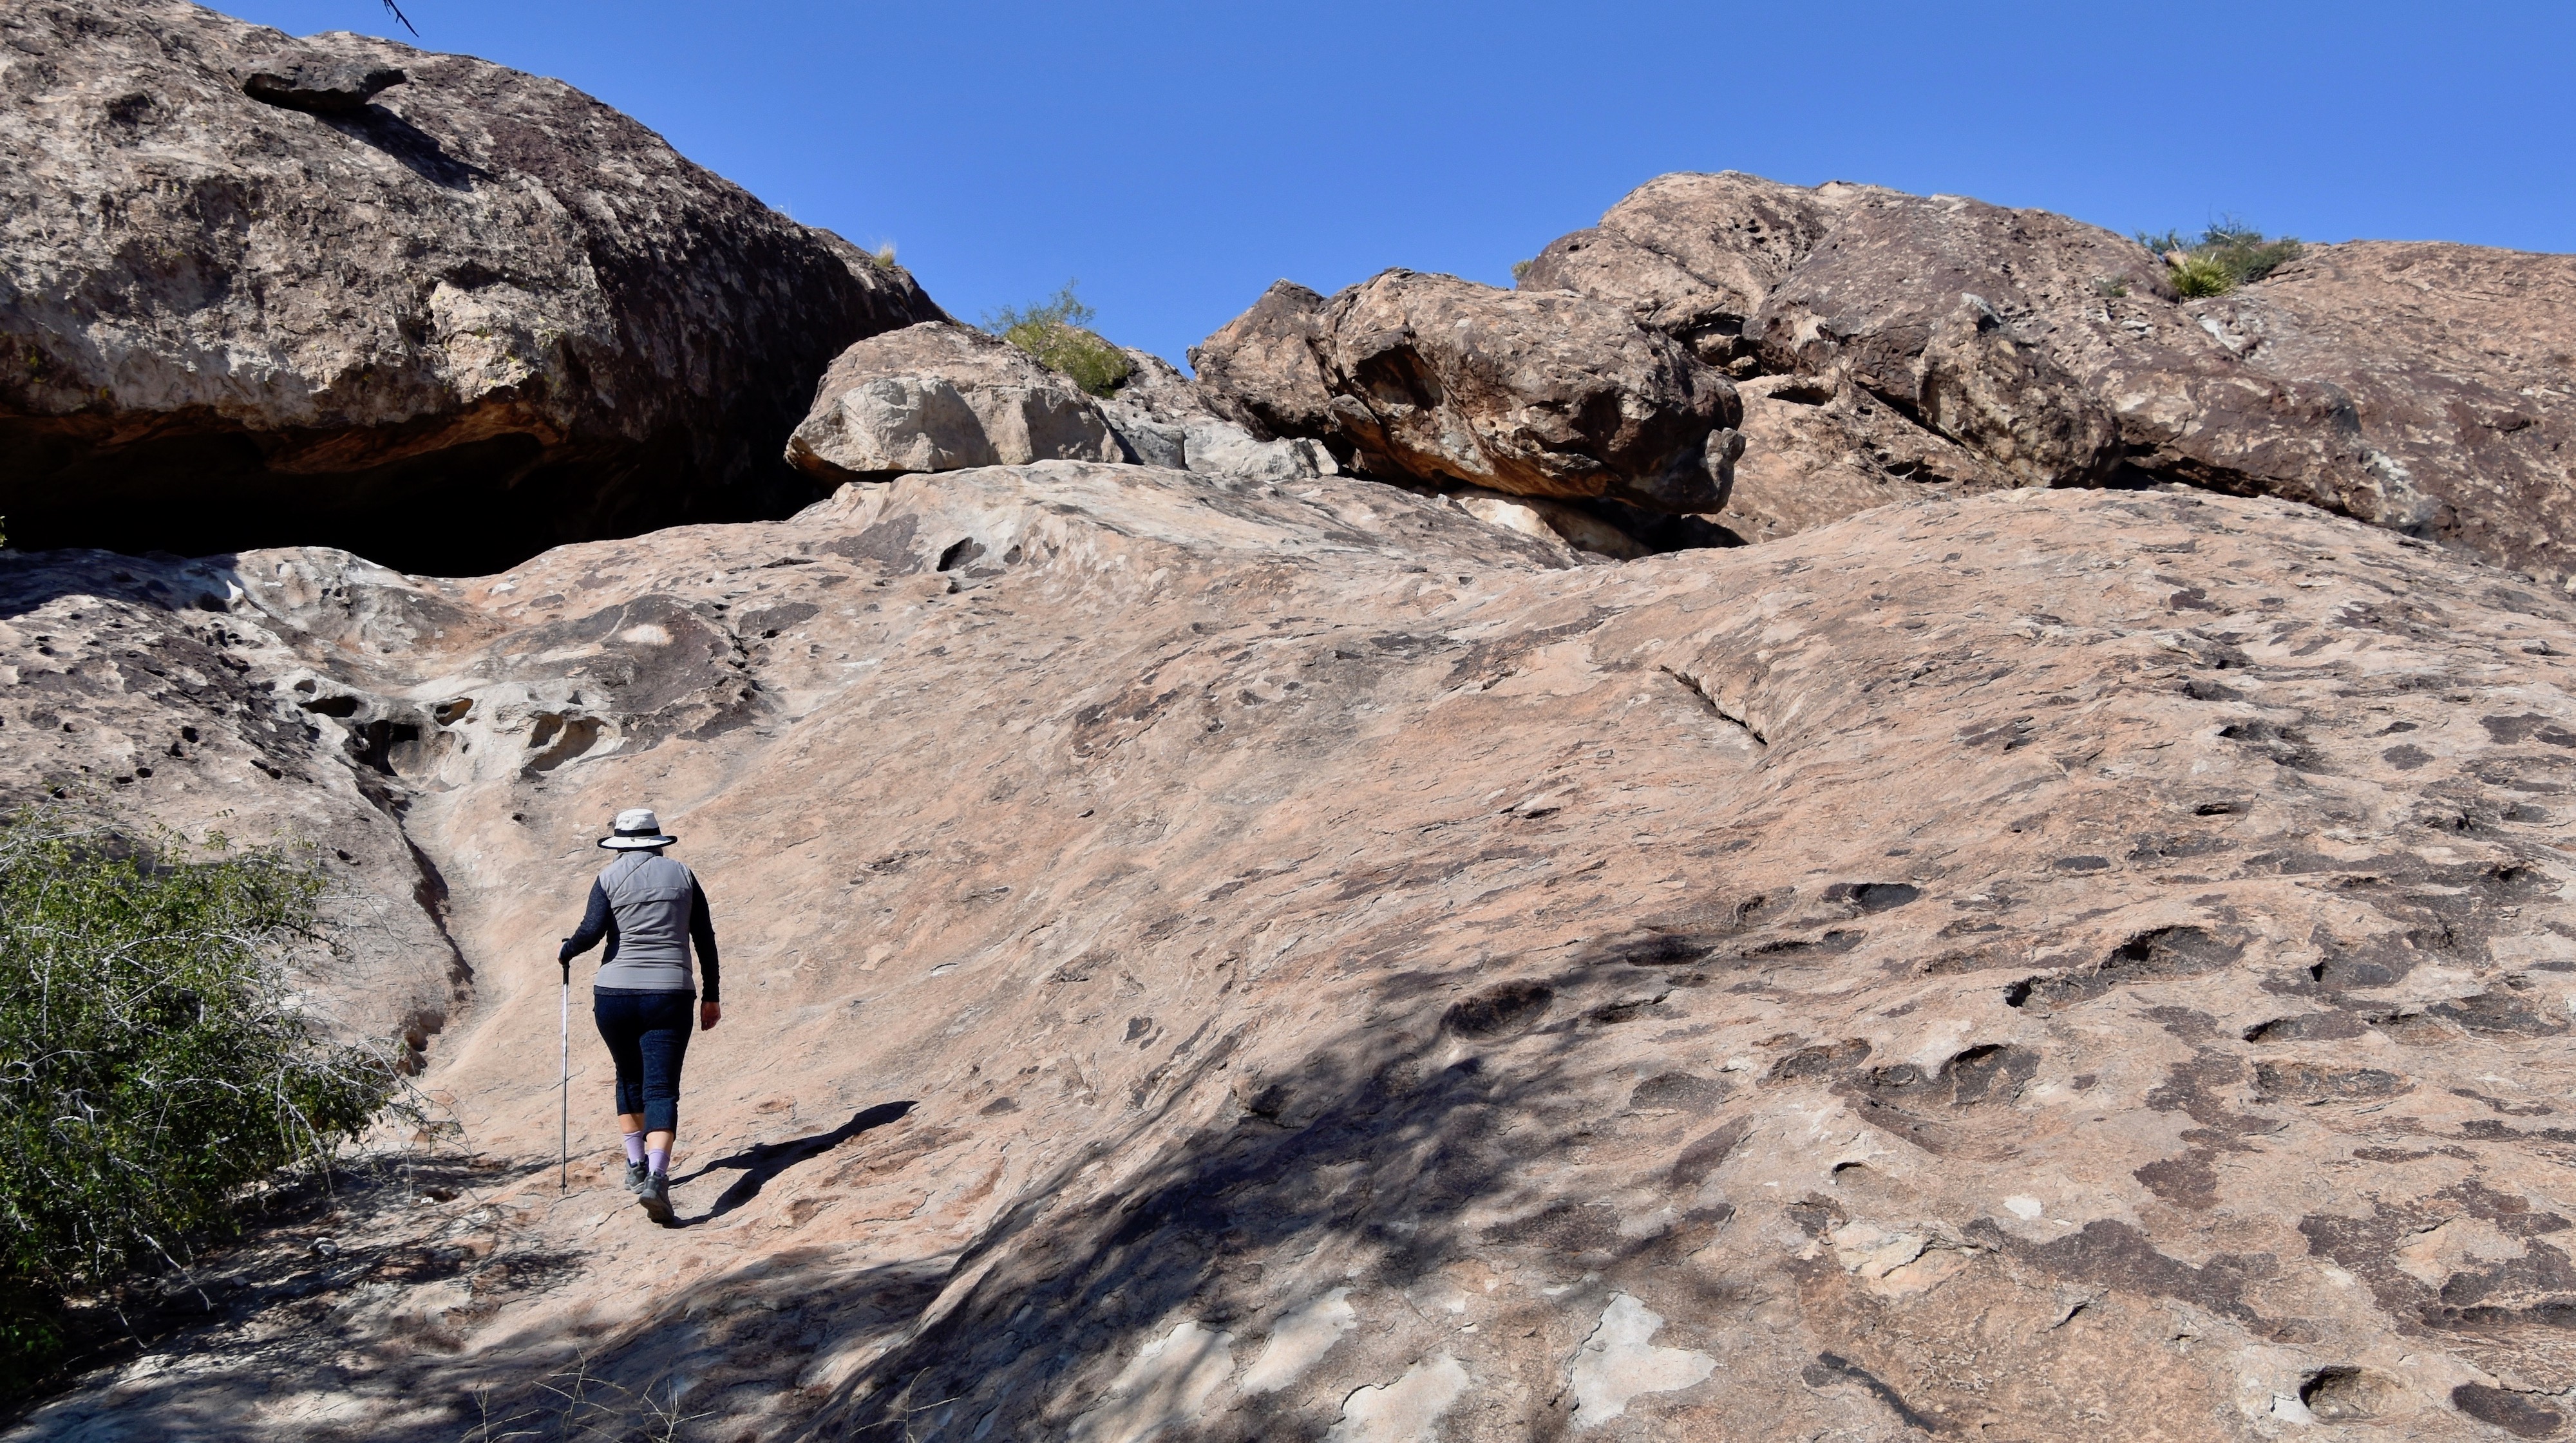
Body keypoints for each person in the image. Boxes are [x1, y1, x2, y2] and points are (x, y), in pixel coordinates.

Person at [559, 807, 721, 1224]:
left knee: (628, 1076)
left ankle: (634, 1164)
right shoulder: (684, 875)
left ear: (619, 844)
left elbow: (591, 932)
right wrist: (711, 995)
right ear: (657, 841)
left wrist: (567, 950)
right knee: (661, 1088)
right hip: (670, 993)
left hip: (614, 995)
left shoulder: (608, 878)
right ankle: (657, 1176)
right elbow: (704, 936)